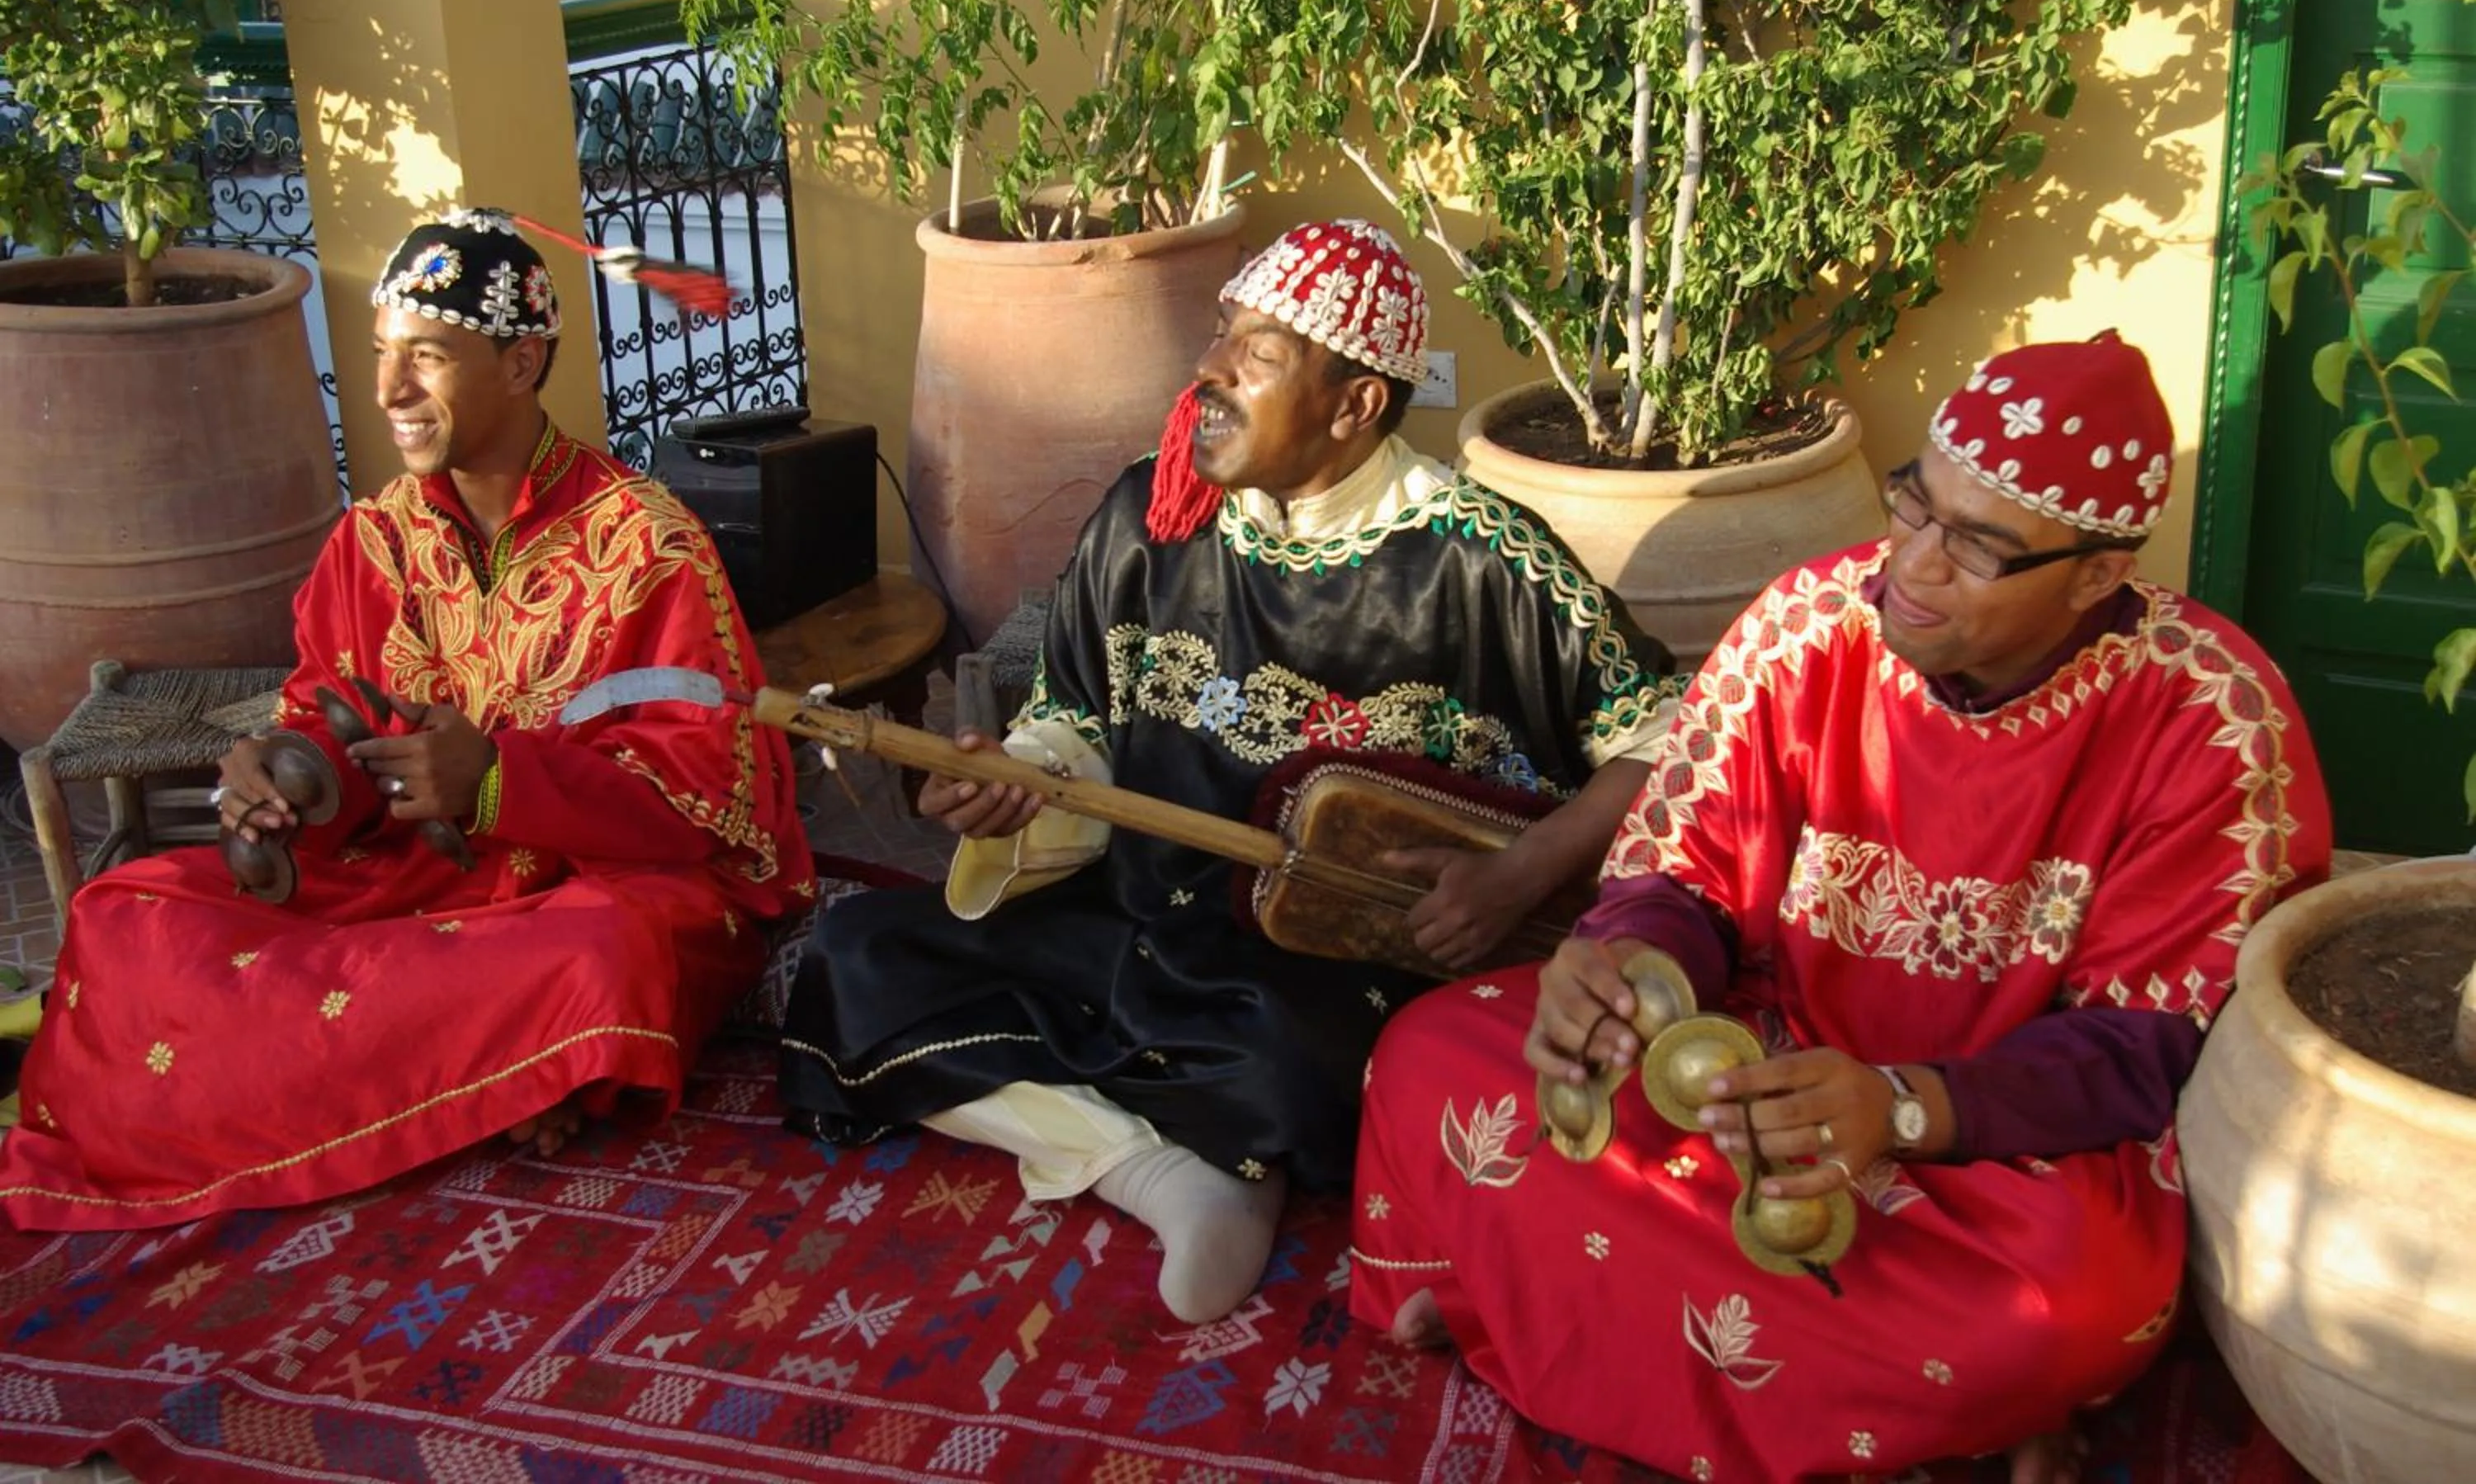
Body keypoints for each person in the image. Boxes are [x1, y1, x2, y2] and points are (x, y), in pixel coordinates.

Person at [1347, 333, 2334, 1484]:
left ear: (2098, 575)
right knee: (1428, 1059)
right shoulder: (1810, 623)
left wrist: (1905, 1112)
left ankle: (1545, 1305)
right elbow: (1692, 869)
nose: (1913, 565)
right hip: (1768, 1054)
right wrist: (1625, 971)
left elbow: (2151, 1045)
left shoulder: (2209, 715)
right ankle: (1922, 1405)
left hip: (1996, 1136)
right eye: (1918, 506)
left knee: (2069, 1301)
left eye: (1976, 547)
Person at [779, 220, 1679, 1323]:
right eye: (1220, 337)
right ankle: (1165, 1171)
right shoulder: (1143, 518)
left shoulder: (1481, 560)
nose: (1207, 371)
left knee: (1316, 1060)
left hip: (1302, 974)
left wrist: (1522, 872)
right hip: (1133, 914)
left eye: (1257, 354)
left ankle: (1173, 1140)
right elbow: (1071, 727)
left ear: (1354, 406)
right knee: (855, 958)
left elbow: (1665, 739)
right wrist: (1009, 784)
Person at [0, 208, 815, 1231]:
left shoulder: (648, 546)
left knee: (611, 957)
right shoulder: (372, 539)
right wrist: (277, 774)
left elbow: (710, 801)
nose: (387, 392)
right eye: (384, 357)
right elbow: (325, 712)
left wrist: (496, 781)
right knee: (121, 915)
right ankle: (500, 1080)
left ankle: (477, 1067)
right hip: (400, 884)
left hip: (580, 889)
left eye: (425, 357)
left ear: (521, 364)